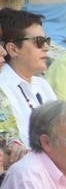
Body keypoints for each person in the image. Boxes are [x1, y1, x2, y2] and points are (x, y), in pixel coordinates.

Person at [0, 10, 56, 148]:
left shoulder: (43, 85)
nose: (46, 47)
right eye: (39, 41)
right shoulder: (2, 86)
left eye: (46, 40)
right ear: (13, 50)